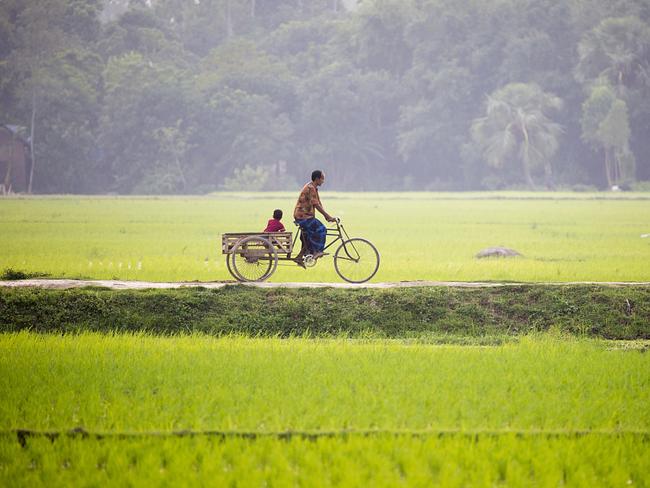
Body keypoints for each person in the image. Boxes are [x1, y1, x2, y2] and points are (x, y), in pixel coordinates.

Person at [293, 170, 335, 263]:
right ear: (317, 179)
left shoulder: (313, 187)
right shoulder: (311, 188)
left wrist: (327, 216)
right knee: (322, 229)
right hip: (303, 216)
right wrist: (327, 216)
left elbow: (319, 203)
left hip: (305, 216)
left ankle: (300, 257)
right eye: (322, 178)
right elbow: (316, 204)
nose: (323, 181)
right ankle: (317, 251)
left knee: (309, 236)